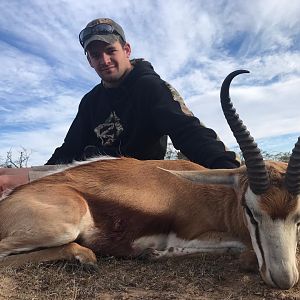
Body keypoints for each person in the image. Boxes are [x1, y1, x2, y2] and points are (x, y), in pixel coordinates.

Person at [0, 17, 240, 196]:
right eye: (95, 55)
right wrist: (39, 172)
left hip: (131, 180)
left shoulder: (150, 87)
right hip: (92, 173)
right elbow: (70, 148)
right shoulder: (91, 100)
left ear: (126, 50)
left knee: (7, 183)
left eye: (110, 50)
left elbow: (188, 131)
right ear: (89, 61)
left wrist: (230, 170)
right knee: (4, 175)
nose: (104, 60)